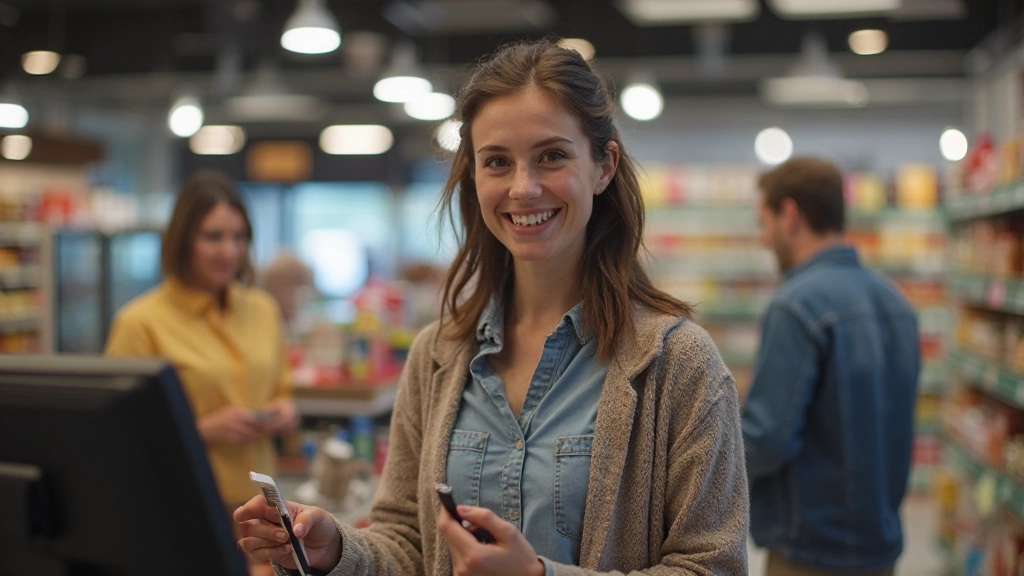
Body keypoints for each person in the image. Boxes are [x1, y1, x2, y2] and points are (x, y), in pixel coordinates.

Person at [234, 40, 749, 576]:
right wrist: (336, 551)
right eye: (498, 162)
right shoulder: (438, 355)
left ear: (603, 166)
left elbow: (714, 567)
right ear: (475, 177)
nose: (523, 188)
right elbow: (408, 542)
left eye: (552, 155)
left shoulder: (679, 364)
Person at [741, 157, 920, 576]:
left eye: (763, 223)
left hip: (811, 550)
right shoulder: (896, 302)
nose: (764, 240)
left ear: (790, 215)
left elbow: (767, 439)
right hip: (881, 545)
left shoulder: (796, 305)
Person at [105, 170, 299, 515]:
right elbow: (118, 435)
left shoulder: (263, 309)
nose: (229, 250)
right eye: (213, 236)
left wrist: (284, 411)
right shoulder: (139, 322)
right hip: (182, 504)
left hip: (264, 504)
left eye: (239, 237)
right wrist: (202, 430)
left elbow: (280, 389)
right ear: (183, 240)